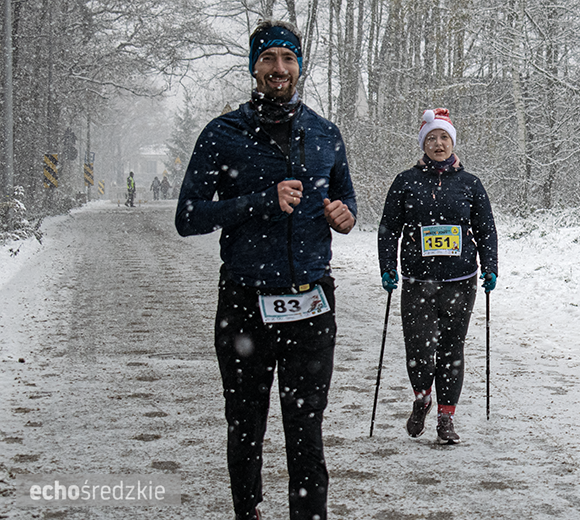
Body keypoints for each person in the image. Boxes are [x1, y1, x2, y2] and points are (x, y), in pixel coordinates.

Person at [175, 19, 357, 520]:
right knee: (246, 423)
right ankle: (248, 511)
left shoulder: (325, 133)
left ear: (299, 65)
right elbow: (187, 218)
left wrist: (346, 216)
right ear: (254, 67)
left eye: (288, 59)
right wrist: (259, 201)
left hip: (312, 302)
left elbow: (346, 199)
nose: (279, 69)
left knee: (306, 429)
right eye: (269, 60)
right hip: (244, 303)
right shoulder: (223, 134)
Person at [377, 108, 498, 445]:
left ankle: (446, 418)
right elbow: (389, 229)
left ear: (453, 142)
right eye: (432, 138)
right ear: (423, 144)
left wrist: (490, 266)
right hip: (417, 279)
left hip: (460, 279)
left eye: (444, 137)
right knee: (418, 348)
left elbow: (486, 230)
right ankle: (422, 399)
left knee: (451, 348)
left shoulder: (470, 184)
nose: (439, 143)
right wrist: (388, 266)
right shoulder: (406, 181)